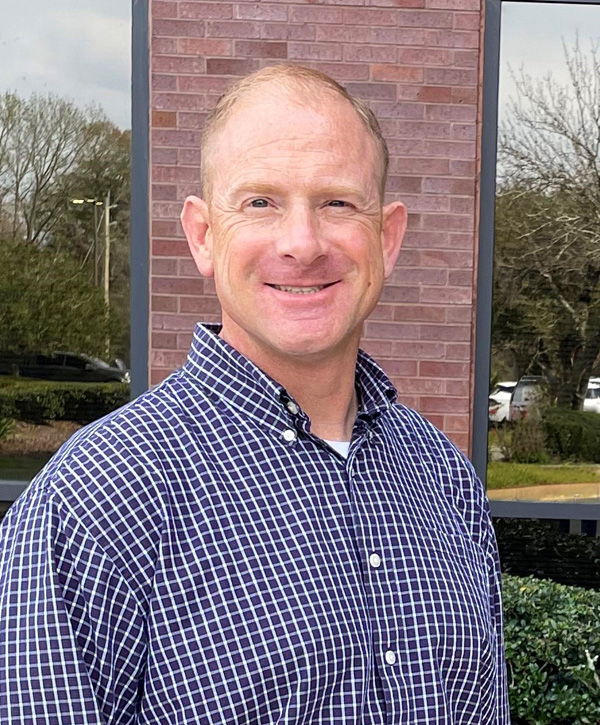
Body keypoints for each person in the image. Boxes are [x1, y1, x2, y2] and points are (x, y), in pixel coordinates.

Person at [0, 65, 509, 724]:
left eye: (337, 202)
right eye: (260, 202)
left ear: (386, 238)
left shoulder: (441, 477)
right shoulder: (98, 498)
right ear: (204, 234)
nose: (302, 243)